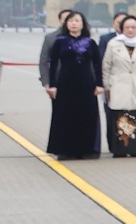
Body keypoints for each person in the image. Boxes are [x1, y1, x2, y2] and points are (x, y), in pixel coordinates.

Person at [41, 10, 101, 159]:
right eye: (71, 21)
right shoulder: (59, 42)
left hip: (86, 83)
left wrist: (99, 84)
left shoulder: (90, 42)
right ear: (66, 24)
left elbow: (97, 64)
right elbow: (53, 64)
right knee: (65, 116)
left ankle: (87, 149)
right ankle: (65, 149)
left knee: (87, 115)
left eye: (77, 21)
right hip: (65, 83)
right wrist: (52, 85)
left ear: (83, 24)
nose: (74, 23)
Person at [101, 14, 136, 158]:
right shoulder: (113, 44)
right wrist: (106, 87)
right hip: (117, 85)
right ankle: (120, 149)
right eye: (127, 27)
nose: (130, 30)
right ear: (122, 28)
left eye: (133, 27)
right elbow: (106, 66)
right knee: (119, 117)